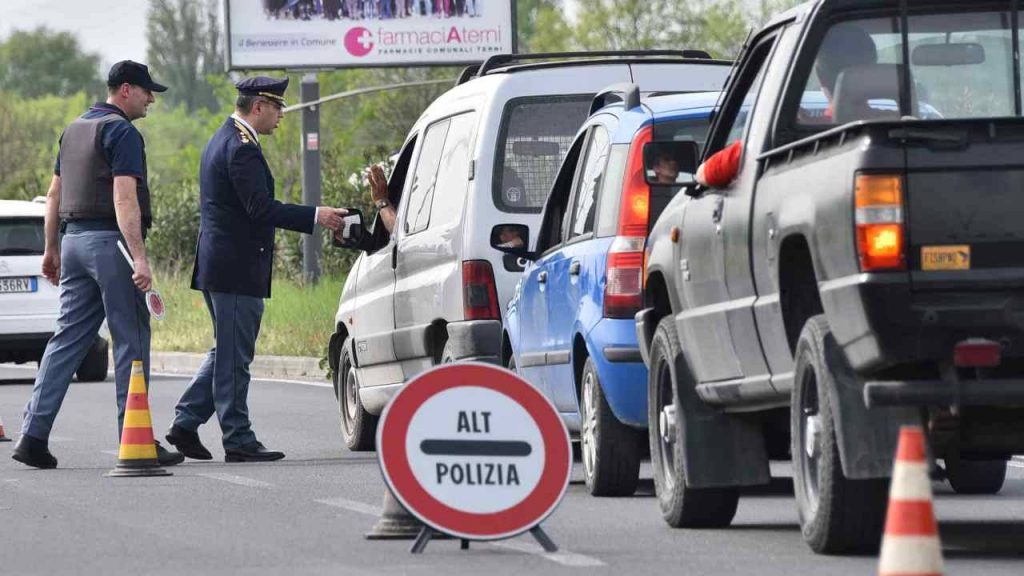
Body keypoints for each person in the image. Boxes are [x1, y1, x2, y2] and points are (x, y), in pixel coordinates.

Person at [165, 77, 348, 463]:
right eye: (278, 107)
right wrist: (318, 216)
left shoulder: (226, 137)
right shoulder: (240, 148)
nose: (282, 115)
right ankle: (238, 439)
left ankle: (186, 422)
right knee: (234, 359)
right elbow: (260, 208)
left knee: (226, 352)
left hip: (224, 265)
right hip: (235, 269)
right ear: (258, 107)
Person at [12, 61, 183, 469]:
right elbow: (124, 199)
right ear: (126, 90)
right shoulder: (122, 131)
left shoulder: (73, 129)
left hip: (73, 243)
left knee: (66, 340)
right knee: (132, 340)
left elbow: (53, 197)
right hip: (111, 246)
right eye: (146, 91)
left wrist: (51, 250)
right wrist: (139, 256)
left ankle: (32, 436)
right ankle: (136, 438)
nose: (151, 99)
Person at [696, 23, 878, 189]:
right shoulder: (899, 124)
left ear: (820, 76)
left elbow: (707, 173)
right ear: (873, 72)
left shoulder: (792, 136)